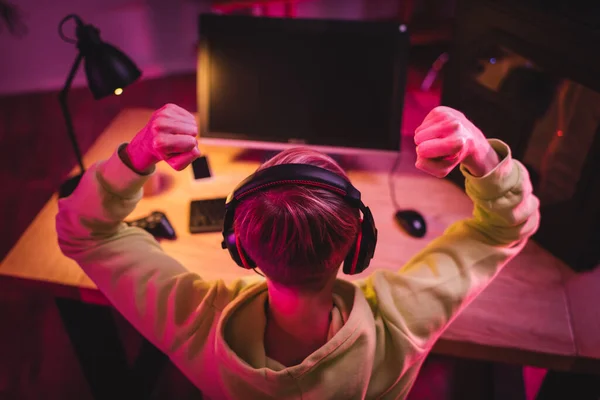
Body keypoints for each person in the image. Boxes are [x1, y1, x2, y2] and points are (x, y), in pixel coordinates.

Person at [56, 104, 540, 399]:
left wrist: (139, 154)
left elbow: (84, 232)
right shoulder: (403, 323)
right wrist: (480, 154)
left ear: (240, 248)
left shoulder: (195, 323)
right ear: (358, 243)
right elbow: (505, 228)